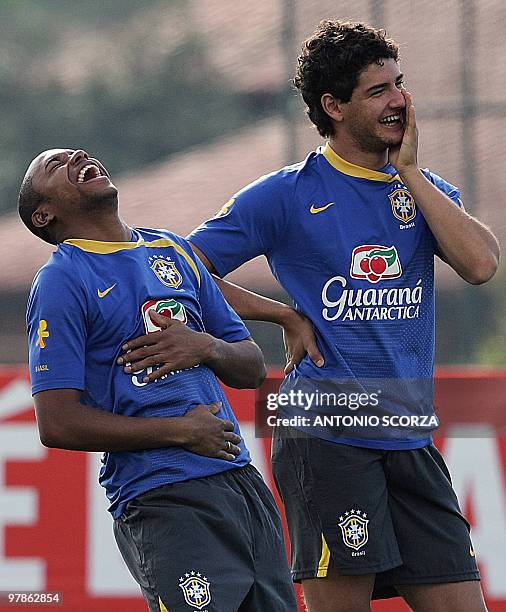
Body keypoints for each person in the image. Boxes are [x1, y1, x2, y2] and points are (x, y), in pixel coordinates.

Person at [121, 20, 500, 612]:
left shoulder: (421, 189)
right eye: (378, 91)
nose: (400, 100)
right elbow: (176, 269)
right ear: (334, 106)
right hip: (326, 433)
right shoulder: (287, 193)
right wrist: (281, 316)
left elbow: (480, 265)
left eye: (400, 84)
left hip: (410, 434)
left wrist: (409, 172)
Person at [19, 147, 298, 612]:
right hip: (163, 497)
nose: (78, 156)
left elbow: (251, 367)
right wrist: (180, 431)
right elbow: (57, 423)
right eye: (55, 164)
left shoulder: (173, 251)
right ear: (45, 214)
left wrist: (205, 346)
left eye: (78, 153)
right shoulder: (61, 281)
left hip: (242, 485)